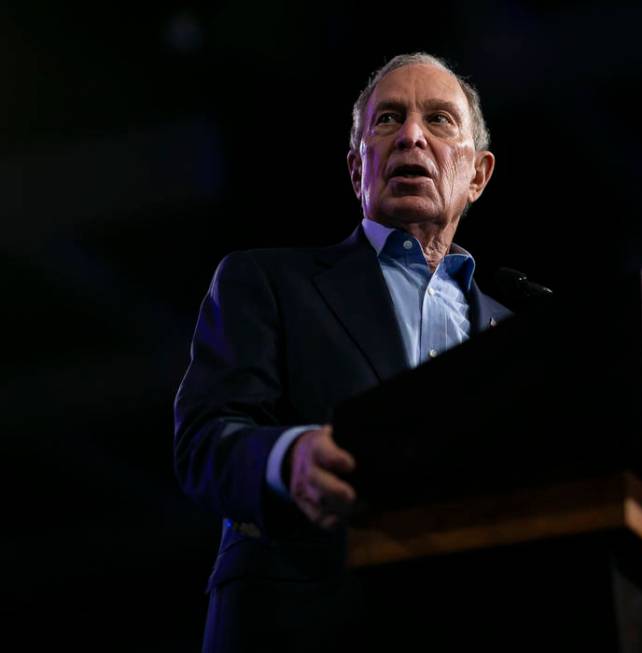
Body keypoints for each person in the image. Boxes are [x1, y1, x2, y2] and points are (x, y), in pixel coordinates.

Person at [173, 52, 512, 652]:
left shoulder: (520, 329)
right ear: (359, 169)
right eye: (387, 120)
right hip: (307, 622)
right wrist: (289, 458)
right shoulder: (266, 282)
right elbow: (204, 442)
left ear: (478, 174)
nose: (411, 135)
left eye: (439, 120)